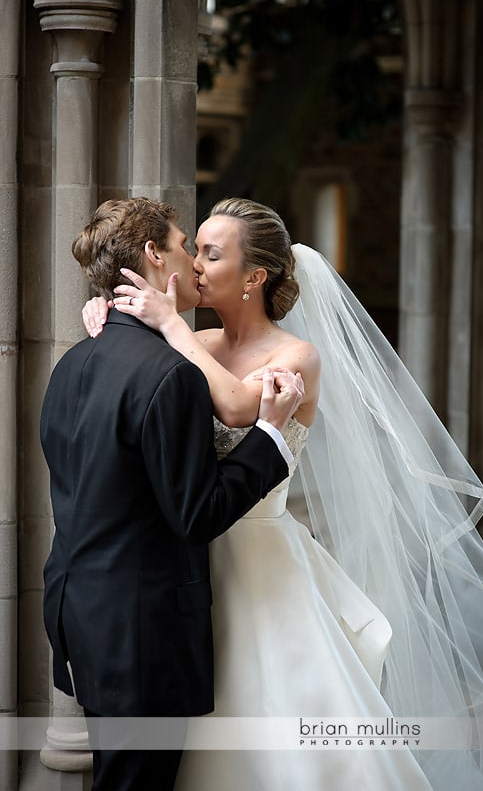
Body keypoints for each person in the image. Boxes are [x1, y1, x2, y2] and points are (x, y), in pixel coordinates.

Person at [83, 198, 483, 791]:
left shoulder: (294, 356)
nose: (192, 264)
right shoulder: (200, 343)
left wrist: (167, 325)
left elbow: (240, 407)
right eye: (193, 248)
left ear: (254, 277)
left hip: (260, 562)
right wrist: (112, 315)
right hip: (189, 564)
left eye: (210, 253)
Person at [40, 197, 305, 791]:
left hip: (80, 609)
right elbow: (198, 511)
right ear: (155, 256)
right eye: (189, 246)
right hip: (143, 627)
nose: (196, 261)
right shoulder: (171, 373)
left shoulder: (74, 362)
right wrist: (269, 437)